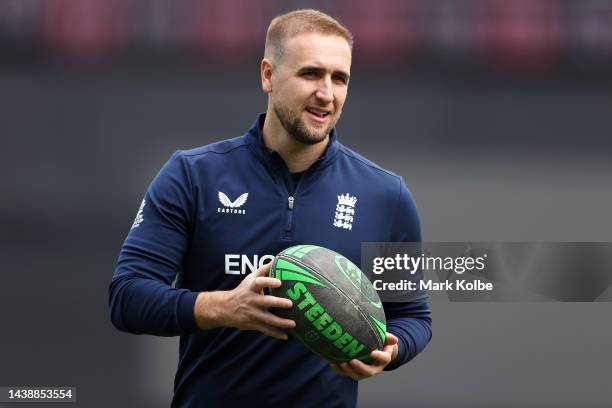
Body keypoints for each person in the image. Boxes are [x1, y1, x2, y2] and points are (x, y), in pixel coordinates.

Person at [109, 9, 431, 408]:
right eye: (311, 74)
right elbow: (127, 298)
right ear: (268, 75)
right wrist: (223, 307)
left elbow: (414, 316)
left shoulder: (386, 194)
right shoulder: (192, 175)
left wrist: (391, 351)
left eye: (339, 78)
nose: (326, 93)